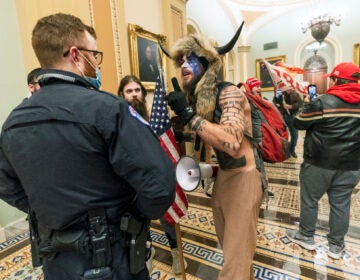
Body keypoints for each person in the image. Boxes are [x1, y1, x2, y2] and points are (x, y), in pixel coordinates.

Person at [0, 13, 176, 280]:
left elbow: (5, 184)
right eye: (94, 54)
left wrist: (47, 209)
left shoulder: (13, 121)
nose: (95, 62)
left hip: (55, 260)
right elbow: (160, 186)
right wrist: (130, 214)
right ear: (76, 54)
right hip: (112, 258)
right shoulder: (109, 110)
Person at [165, 23, 264, 279]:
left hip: (244, 178)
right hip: (224, 180)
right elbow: (208, 140)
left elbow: (231, 142)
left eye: (192, 59)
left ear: (207, 65)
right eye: (182, 61)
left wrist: (188, 114)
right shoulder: (201, 99)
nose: (185, 66)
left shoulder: (229, 92)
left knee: (235, 259)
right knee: (234, 249)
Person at [286, 62, 360, 260]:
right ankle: (336, 247)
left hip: (319, 162)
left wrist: (306, 104)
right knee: (341, 204)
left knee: (310, 200)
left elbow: (298, 122)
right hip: (352, 165)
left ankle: (306, 236)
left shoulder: (323, 102)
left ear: (336, 80)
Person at [117, 75, 187, 275]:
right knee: (139, 221)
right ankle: (147, 252)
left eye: (137, 90)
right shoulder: (118, 120)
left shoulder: (153, 118)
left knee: (167, 218)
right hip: (131, 181)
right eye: (129, 91)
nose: (134, 95)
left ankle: (176, 251)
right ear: (122, 95)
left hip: (156, 179)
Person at [273, 85, 303, 158]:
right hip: (283, 116)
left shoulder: (295, 94)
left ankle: (292, 150)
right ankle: (284, 151)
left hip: (292, 117)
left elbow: (300, 104)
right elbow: (274, 101)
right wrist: (276, 104)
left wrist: (290, 106)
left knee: (295, 135)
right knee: (283, 135)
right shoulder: (279, 92)